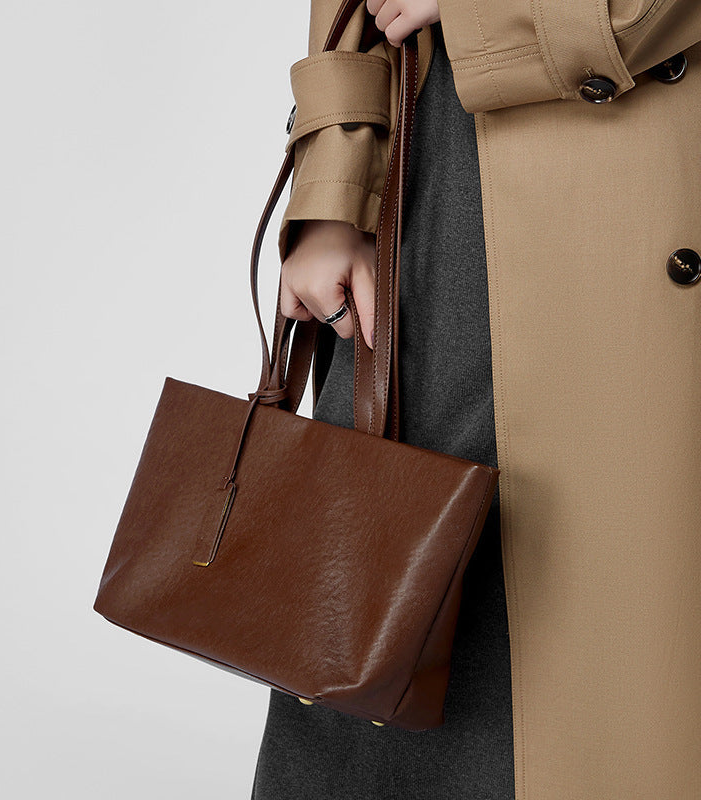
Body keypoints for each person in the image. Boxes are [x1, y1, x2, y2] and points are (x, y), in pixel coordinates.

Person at [252, 1, 701, 798]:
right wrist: (334, 181)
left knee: (609, 660)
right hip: (436, 185)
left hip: (624, 194)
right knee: (384, 643)